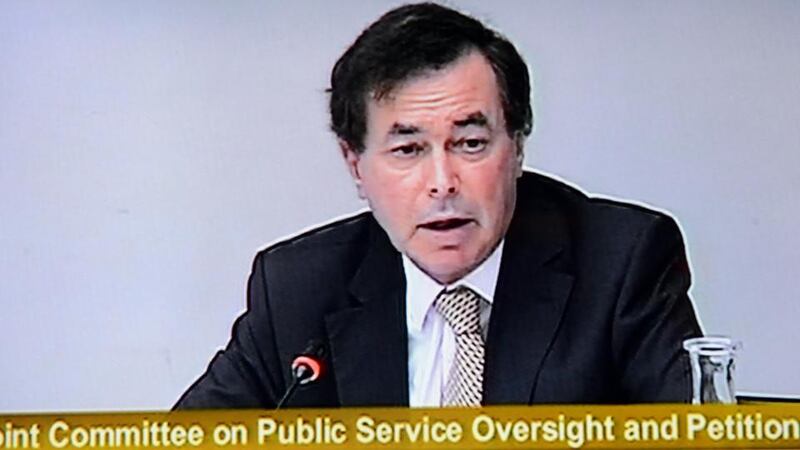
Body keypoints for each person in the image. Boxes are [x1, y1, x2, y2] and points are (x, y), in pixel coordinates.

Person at [175, 2, 702, 409]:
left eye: (470, 144)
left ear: (516, 145)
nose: (443, 182)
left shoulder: (620, 264)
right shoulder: (299, 289)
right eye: (408, 150)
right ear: (355, 164)